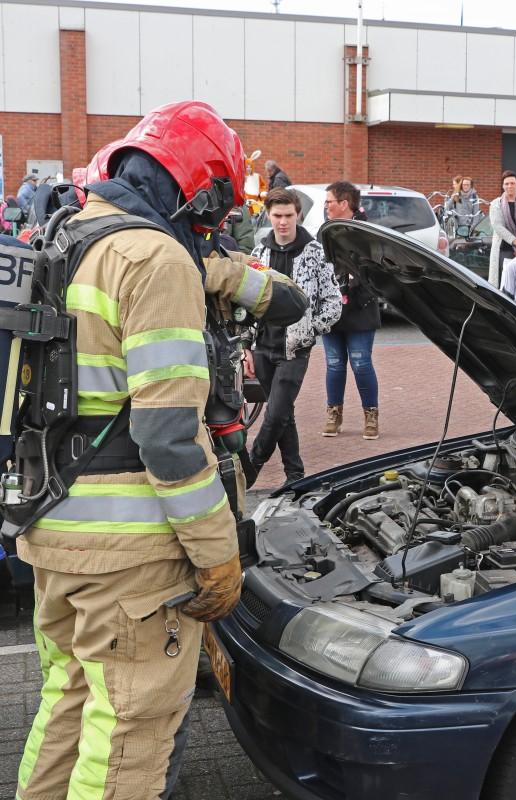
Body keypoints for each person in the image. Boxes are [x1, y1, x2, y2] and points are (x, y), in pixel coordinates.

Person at [12, 100, 306, 800]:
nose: (213, 228)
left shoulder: (64, 234)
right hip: (133, 559)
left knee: (67, 704)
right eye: (214, 211)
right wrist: (216, 556)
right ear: (196, 191)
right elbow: (168, 438)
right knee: (128, 745)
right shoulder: (156, 258)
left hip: (53, 530)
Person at [249, 188, 341, 484]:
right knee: (284, 414)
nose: (283, 222)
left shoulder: (315, 252)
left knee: (274, 415)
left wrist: (312, 328)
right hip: (262, 347)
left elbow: (333, 301)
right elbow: (245, 303)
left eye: (289, 215)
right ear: (269, 215)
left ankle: (251, 468)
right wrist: (244, 348)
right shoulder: (259, 253)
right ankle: (295, 474)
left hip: (295, 350)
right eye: (277, 216)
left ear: (297, 214)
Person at [321, 180, 382, 439]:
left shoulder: (366, 231)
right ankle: (334, 413)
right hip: (331, 310)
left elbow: (377, 271)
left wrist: (354, 286)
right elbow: (320, 267)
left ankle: (371, 415)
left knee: (360, 363)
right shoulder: (325, 231)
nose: (325, 207)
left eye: (329, 202)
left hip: (360, 309)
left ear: (345, 204)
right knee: (334, 364)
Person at [488, 170, 516, 286]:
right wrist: (515, 241)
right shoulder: (496, 204)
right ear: (503, 186)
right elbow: (498, 226)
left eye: (512, 183)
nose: (509, 186)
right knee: (505, 283)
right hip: (504, 249)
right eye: (506, 184)